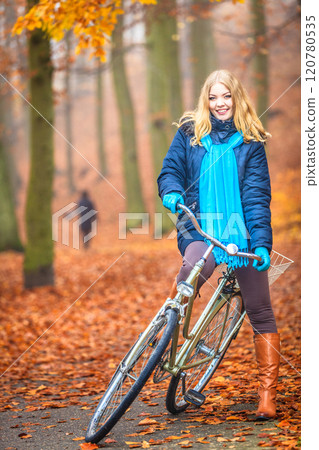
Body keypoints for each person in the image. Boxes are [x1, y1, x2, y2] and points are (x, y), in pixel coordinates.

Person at [157, 69, 280, 420]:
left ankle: (267, 396)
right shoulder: (189, 134)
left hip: (240, 233)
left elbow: (257, 197)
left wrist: (260, 244)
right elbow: (171, 170)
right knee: (194, 269)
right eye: (213, 97)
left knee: (260, 309)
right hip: (200, 228)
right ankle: (168, 335)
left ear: (236, 98)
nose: (220, 103)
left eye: (226, 96)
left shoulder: (252, 143)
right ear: (205, 100)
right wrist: (171, 191)